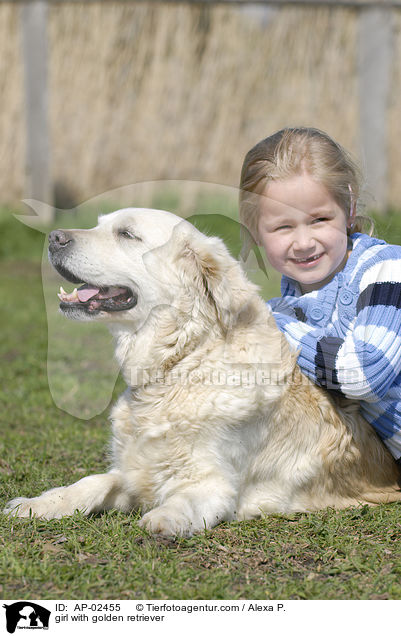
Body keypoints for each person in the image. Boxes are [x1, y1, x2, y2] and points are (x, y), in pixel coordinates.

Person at [239, 126, 401, 464]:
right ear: (255, 232)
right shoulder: (287, 307)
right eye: (283, 227)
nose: (303, 242)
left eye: (319, 220)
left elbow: (365, 375)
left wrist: (271, 326)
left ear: (349, 208)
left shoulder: (384, 271)